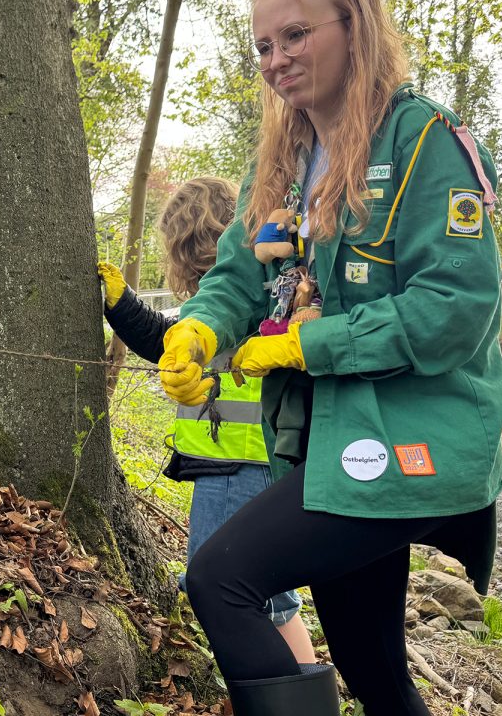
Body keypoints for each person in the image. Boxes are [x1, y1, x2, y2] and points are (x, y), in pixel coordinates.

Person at [155, 0, 502, 716]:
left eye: (295, 35)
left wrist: (310, 345)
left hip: (412, 437)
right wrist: (201, 334)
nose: (276, 59)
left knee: (222, 580)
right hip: (326, 442)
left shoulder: (423, 142)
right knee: (369, 661)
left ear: (355, 30)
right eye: (263, 46)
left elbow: (457, 305)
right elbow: (238, 280)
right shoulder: (277, 164)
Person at [98, 177, 316, 666]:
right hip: (242, 463)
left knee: (220, 585)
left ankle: (278, 693)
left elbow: (165, 337)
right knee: (268, 598)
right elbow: (168, 338)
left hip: (242, 465)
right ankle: (299, 690)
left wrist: (121, 306)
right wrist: (123, 306)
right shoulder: (248, 294)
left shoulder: (251, 300)